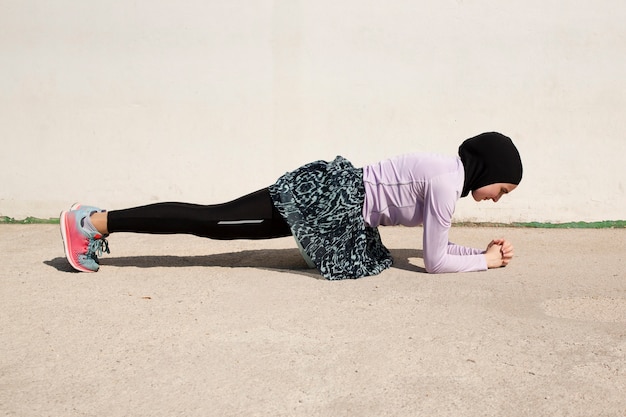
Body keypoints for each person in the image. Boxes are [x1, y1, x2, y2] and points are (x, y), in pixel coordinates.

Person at [60, 131, 523, 280]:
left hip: (338, 207)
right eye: (502, 190)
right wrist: (483, 261)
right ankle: (94, 222)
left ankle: (98, 219)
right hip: (328, 203)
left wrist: (480, 255)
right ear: (487, 169)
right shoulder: (446, 184)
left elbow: (434, 249)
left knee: (218, 223)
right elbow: (436, 262)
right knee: (212, 220)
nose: (497, 200)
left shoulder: (446, 174)